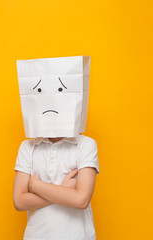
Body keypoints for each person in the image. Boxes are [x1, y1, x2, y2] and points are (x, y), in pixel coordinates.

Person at [13, 56, 100, 240]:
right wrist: (63, 190)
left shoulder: (85, 145)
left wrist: (36, 186)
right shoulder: (28, 147)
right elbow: (19, 201)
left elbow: (81, 200)